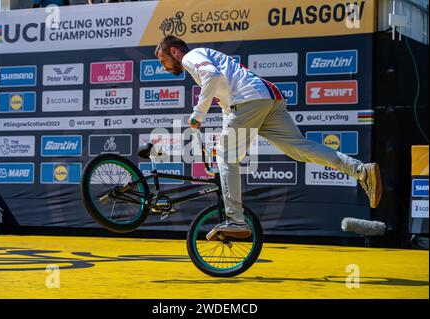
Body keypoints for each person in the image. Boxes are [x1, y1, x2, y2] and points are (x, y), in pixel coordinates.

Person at [154, 35, 383, 240]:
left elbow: (211, 77)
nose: (164, 67)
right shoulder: (207, 56)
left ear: (174, 52)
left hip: (247, 101)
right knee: (299, 148)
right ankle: (361, 170)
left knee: (227, 158)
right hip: (266, 98)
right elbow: (226, 105)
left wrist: (198, 114)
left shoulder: (191, 57)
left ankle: (235, 220)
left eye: (163, 60)